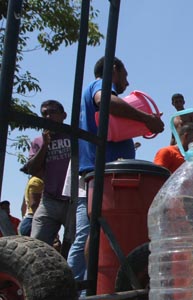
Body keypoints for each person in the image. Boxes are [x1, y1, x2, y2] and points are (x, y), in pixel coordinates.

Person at [75, 56, 164, 289]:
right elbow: (106, 101)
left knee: (97, 231)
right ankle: (88, 286)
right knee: (96, 231)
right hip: (105, 173)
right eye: (125, 75)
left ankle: (93, 284)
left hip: (103, 171)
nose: (126, 82)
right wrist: (146, 118)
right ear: (114, 70)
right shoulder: (100, 85)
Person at [21, 100, 73, 249]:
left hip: (73, 200)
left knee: (73, 246)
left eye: (52, 112)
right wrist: (45, 145)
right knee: (37, 245)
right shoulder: (38, 141)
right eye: (44, 114)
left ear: (63, 115)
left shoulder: (74, 135)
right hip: (49, 200)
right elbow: (31, 169)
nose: (48, 117)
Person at [18, 171, 44, 236]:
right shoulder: (36, 181)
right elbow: (34, 204)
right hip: (32, 222)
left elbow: (23, 208)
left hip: (28, 221)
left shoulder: (32, 181)